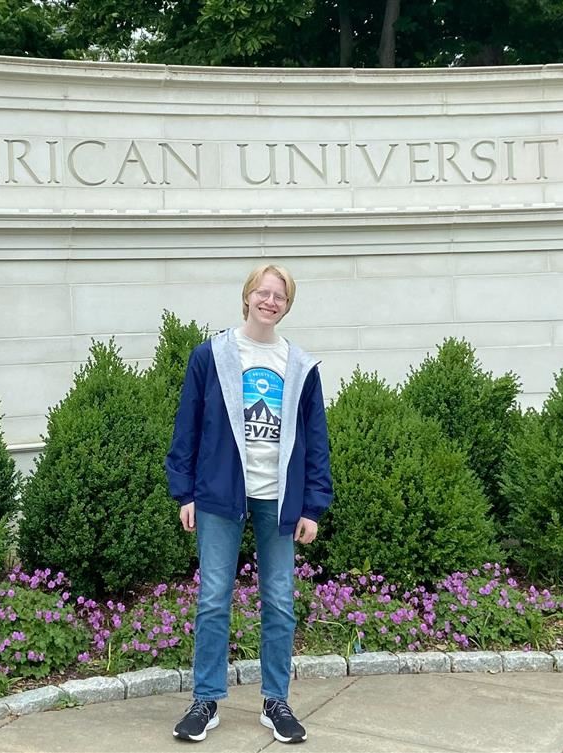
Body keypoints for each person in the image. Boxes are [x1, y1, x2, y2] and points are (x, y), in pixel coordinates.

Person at [165, 264, 333, 744]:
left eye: (279, 295)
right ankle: (205, 700)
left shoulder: (299, 365)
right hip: (220, 494)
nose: (270, 301)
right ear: (247, 297)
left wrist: (313, 506)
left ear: (287, 304)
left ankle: (276, 700)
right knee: (213, 598)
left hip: (280, 498)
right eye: (263, 292)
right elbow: (188, 427)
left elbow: (316, 440)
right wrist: (186, 492)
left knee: (279, 601)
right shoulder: (212, 355)